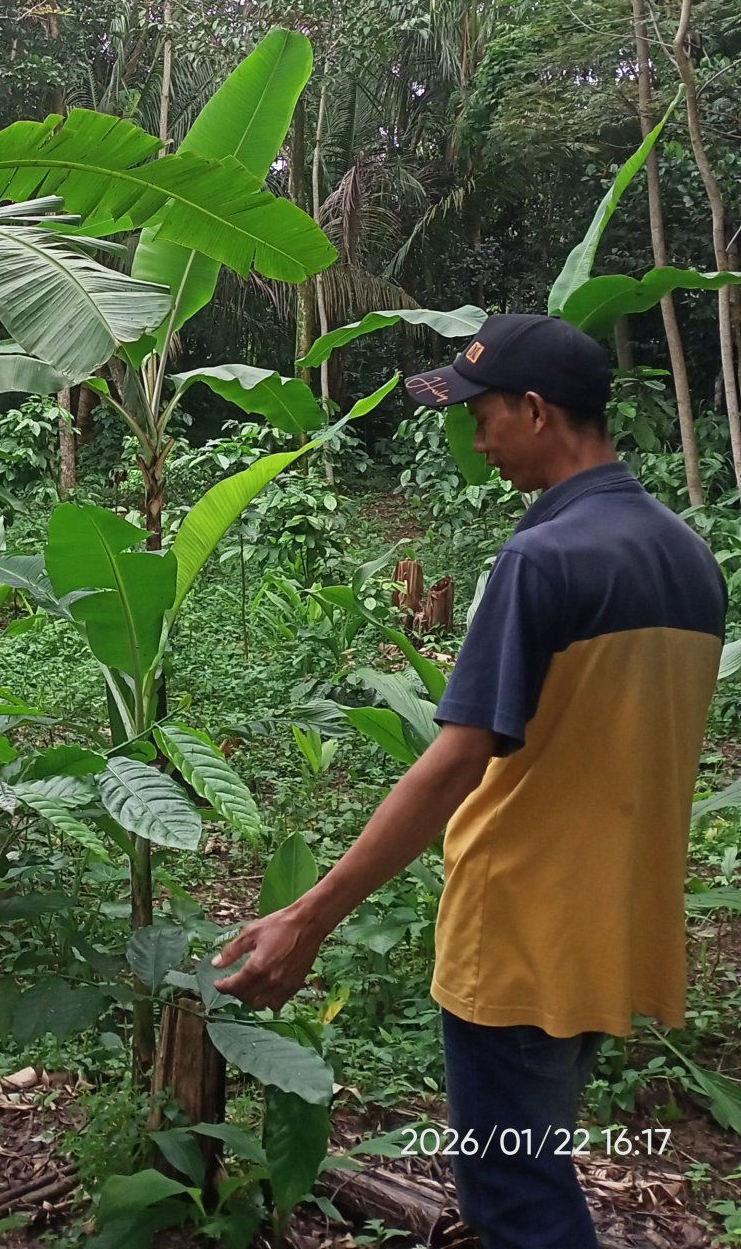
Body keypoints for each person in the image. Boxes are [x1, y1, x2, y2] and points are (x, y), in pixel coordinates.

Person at [212, 312, 728, 1249]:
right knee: (535, 1159)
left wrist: (307, 916)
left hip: (524, 928)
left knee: (516, 1199)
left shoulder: (541, 560)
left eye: (484, 416)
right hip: (616, 921)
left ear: (535, 411)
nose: (478, 440)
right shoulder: (689, 557)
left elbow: (457, 760)